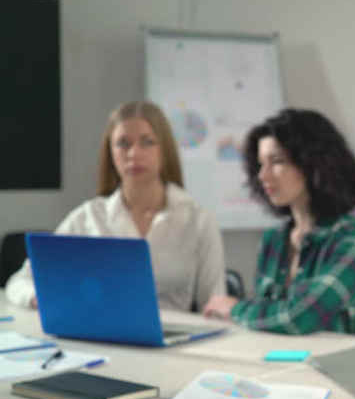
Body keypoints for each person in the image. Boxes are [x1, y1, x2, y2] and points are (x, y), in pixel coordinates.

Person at [4, 101, 226, 312]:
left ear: (164, 149)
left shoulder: (198, 220)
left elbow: (216, 304)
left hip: (175, 342)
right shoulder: (88, 217)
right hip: (103, 338)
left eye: (147, 142)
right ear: (110, 152)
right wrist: (40, 297)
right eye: (123, 143)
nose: (133, 154)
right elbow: (19, 282)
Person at [203, 109, 355, 336]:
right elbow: (265, 322)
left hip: (340, 369)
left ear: (314, 164)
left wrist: (235, 308)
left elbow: (298, 318)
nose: (263, 176)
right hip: (280, 365)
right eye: (260, 164)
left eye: (277, 161)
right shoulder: (272, 240)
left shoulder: (354, 240)